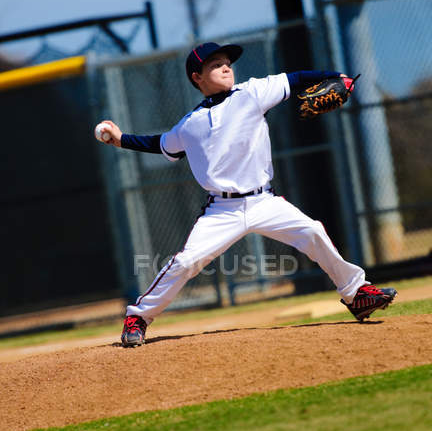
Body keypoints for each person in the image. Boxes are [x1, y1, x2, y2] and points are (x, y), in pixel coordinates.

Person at [96, 42, 397, 347]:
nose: (226, 67)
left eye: (227, 62)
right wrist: (121, 140)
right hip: (221, 211)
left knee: (313, 231)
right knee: (187, 262)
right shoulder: (189, 124)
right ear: (196, 77)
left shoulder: (251, 93)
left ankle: (356, 294)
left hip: (264, 201)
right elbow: (160, 143)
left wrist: (337, 76)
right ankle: (139, 317)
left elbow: (296, 78)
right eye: (215, 65)